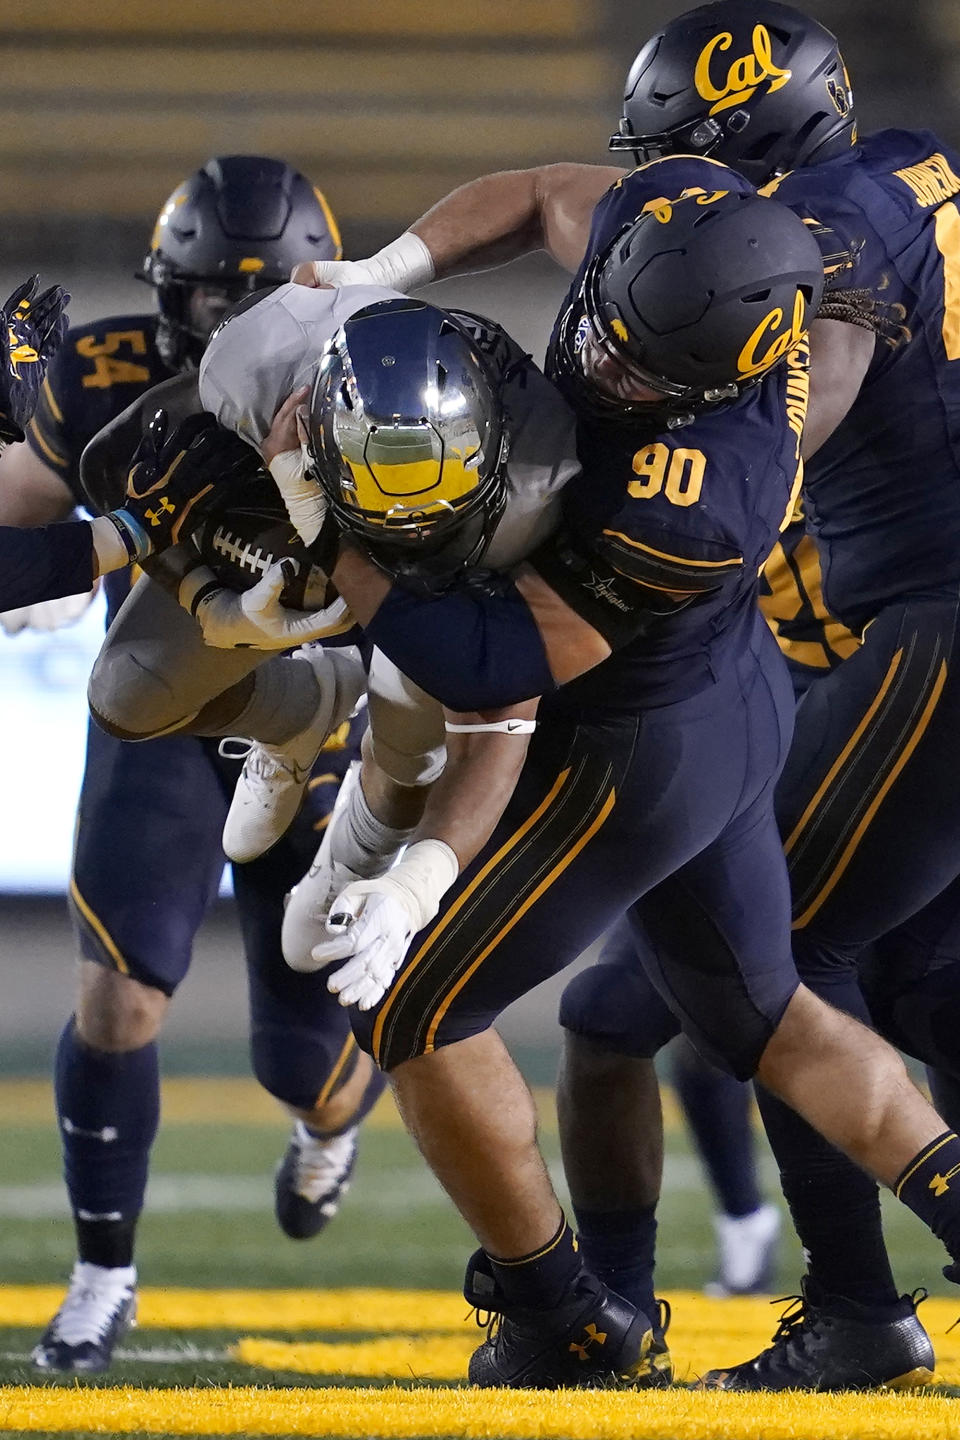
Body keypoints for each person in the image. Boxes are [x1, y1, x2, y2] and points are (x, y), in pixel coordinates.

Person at [211, 160, 960, 1391]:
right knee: (764, 1017)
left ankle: (568, 1318)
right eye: (610, 335)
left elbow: (495, 666)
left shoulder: (701, 483)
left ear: (731, 364)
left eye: (647, 370)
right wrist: (388, 270)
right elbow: (536, 192)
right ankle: (882, 1287)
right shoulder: (666, 229)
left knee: (413, 1011)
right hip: (732, 697)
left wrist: (326, 519)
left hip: (639, 739)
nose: (609, 372)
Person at [0, 157, 383, 1378]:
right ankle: (102, 1276)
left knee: (306, 1072)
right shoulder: (108, 377)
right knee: (116, 997)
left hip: (318, 719)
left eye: (258, 296)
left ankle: (330, 1127)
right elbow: (20, 518)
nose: (231, 324)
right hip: (176, 707)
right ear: (170, 291)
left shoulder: (386, 380)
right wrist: (66, 538)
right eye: (213, 297)